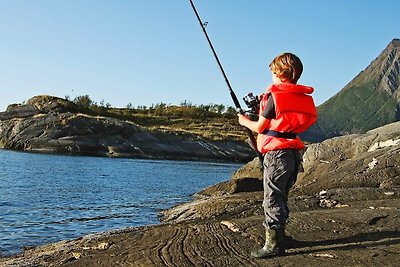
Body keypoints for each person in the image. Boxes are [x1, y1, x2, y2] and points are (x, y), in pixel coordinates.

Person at [238, 52, 317, 258]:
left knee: (272, 199)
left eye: (273, 73)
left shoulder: (275, 96)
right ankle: (281, 236)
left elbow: (258, 127)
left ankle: (273, 245)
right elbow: (280, 121)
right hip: (292, 154)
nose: (272, 77)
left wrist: (243, 120)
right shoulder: (298, 97)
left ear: (281, 74)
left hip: (276, 156)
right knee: (281, 196)